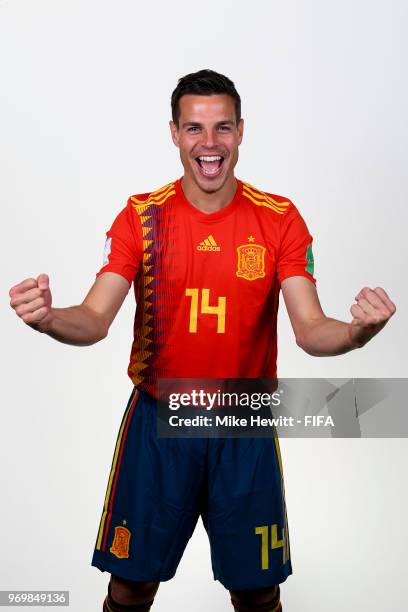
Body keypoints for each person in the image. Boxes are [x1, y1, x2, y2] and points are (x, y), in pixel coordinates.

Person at [9, 69, 396, 612]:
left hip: (242, 423)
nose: (209, 145)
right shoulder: (141, 217)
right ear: (174, 133)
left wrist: (357, 332)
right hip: (159, 423)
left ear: (241, 132)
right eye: (194, 129)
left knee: (258, 592)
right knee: (131, 586)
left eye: (222, 129)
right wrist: (49, 318)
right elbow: (95, 317)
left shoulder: (279, 218)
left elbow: (311, 330)